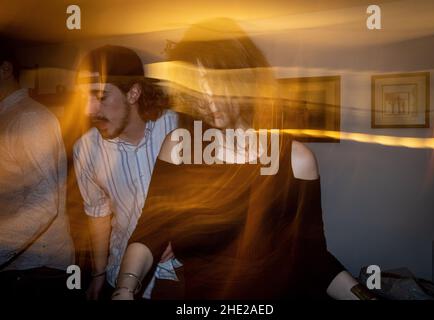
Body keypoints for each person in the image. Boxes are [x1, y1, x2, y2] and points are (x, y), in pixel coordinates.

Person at [113, 18, 373, 300]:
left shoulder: (297, 160)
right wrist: (125, 289)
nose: (207, 98)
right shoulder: (178, 149)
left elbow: (313, 257)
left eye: (214, 82)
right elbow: (149, 233)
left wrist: (365, 297)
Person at [73, 45, 180, 300]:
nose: (89, 110)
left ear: (133, 93)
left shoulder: (178, 128)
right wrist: (99, 275)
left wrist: (185, 233)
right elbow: (98, 213)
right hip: (120, 276)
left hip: (178, 277)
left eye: (99, 96)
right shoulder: (86, 149)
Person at [0, 42, 75, 299]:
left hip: (37, 269)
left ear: (5, 69)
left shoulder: (29, 119)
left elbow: (44, 203)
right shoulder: (9, 116)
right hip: (21, 266)